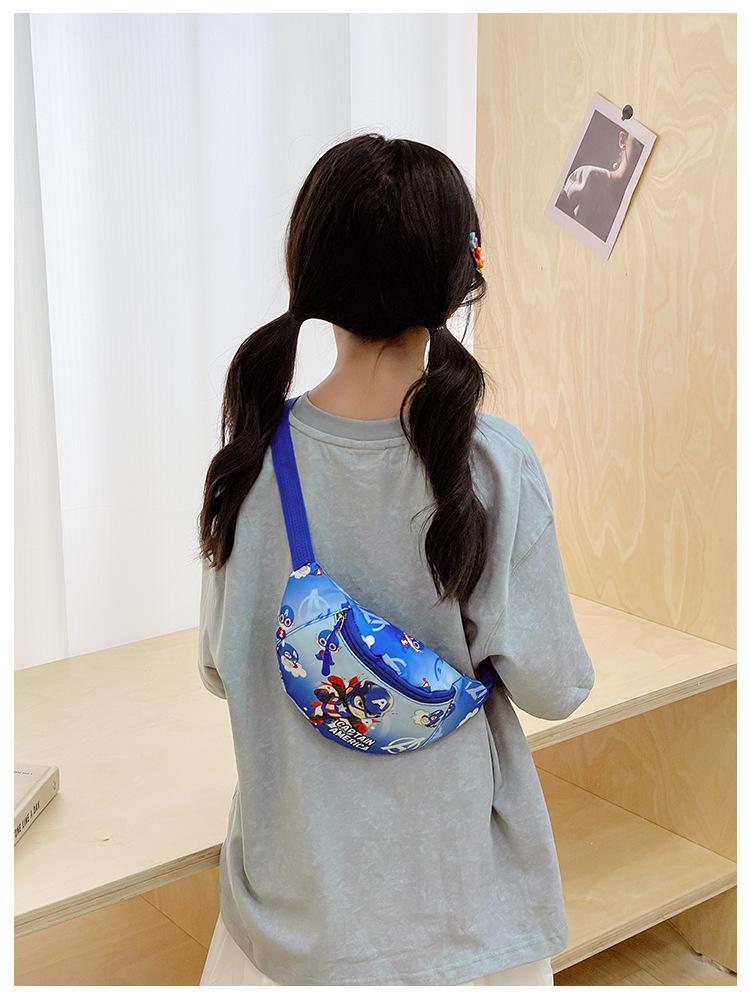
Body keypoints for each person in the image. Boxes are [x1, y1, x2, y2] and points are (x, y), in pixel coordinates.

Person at [196, 134, 595, 986]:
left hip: (291, 925)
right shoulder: (494, 464)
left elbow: (221, 670)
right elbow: (557, 687)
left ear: (308, 268)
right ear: (461, 279)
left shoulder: (247, 465)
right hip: (458, 923)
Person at [559, 126, 642, 240]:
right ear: (623, 141)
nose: (643, 152)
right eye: (639, 142)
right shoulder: (589, 176)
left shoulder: (635, 212)